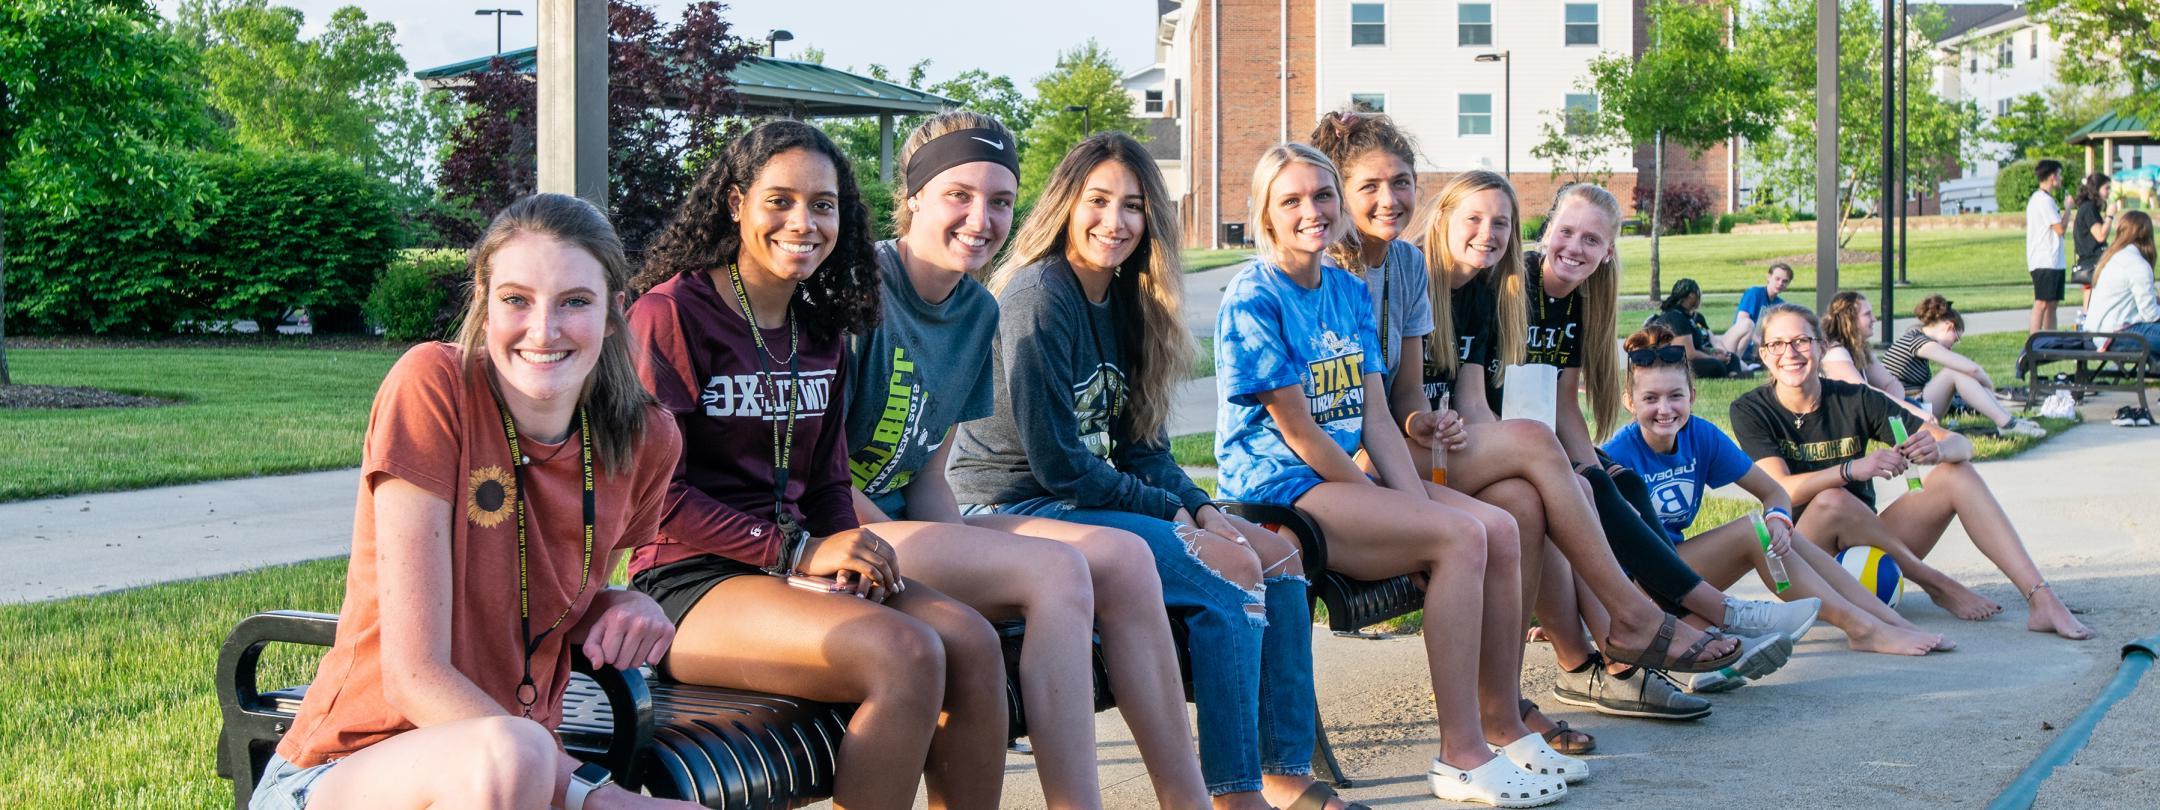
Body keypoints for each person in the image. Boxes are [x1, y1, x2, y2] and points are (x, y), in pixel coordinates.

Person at [256, 194, 699, 810]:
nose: (544, 330)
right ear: (484, 302)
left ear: (612, 313)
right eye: (517, 299)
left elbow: (534, 584)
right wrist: (595, 796)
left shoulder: (644, 439)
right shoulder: (434, 386)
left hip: (520, 778)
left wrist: (620, 604)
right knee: (513, 755)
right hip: (347, 769)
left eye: (575, 301)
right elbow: (414, 676)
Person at [949, 133, 1339, 810]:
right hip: (1012, 509)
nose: (1115, 221)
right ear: (1066, 205)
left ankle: (1286, 771)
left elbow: (1142, 450)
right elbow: (1058, 462)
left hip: (1079, 502)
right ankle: (1235, 793)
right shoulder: (1041, 297)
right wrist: (1172, 514)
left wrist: (1201, 504)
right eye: (1098, 201)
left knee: (1276, 558)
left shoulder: (1128, 301)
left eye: (1132, 206)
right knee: (1228, 572)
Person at [626, 120, 1007, 808]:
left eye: (823, 205)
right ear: (736, 202)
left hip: (790, 567)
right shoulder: (671, 315)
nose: (803, 221)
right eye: (780, 200)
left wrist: (852, 551)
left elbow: (830, 481)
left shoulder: (817, 323)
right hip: (687, 584)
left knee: (974, 645)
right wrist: (798, 549)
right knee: (906, 654)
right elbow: (652, 497)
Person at [842, 111, 1211, 805]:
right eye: (959, 194)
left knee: (1124, 561)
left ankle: (1186, 800)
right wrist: (943, 567)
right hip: (845, 525)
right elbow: (818, 473)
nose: (981, 218)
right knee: (1056, 573)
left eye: (1000, 200)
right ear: (914, 195)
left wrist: (961, 559)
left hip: (911, 524)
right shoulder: (863, 294)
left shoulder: (976, 311)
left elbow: (928, 478)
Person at [1211, 141, 1569, 807]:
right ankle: (1459, 755)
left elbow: (1377, 416)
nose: (1312, 210)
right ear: (1264, 213)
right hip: (1278, 491)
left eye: (1321, 196)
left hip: (1344, 480)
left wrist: (1413, 505)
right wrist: (1419, 520)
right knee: (1459, 536)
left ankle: (1499, 724)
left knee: (1493, 526)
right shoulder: (1252, 298)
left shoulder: (1347, 292)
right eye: (1291, 200)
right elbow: (1299, 431)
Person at [1308, 112, 1595, 766]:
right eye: (1370, 186)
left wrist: (1422, 430)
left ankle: (1502, 715)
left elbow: (1391, 404)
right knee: (1515, 478)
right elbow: (1314, 428)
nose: (1390, 199)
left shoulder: (1402, 268)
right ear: (1338, 193)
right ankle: (1619, 627)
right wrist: (1407, 500)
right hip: (1325, 482)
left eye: (1402, 181)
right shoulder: (1314, 281)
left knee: (1517, 507)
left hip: (1391, 462)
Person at [1502, 184, 1802, 716]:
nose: (1575, 247)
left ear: (1609, 250)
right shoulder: (1511, 284)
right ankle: (1705, 615)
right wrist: (1585, 483)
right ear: (1546, 230)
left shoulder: (1579, 300)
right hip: (1495, 441)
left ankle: (1643, 647)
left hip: (1535, 441)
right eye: (1566, 232)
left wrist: (1599, 480)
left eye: (1592, 239)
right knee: (1584, 489)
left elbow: (1566, 407)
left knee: (1619, 483)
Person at [1730, 303, 2093, 641]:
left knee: (1957, 474)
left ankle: (2040, 597)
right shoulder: (1751, 409)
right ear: (1763, 354)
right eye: (1776, 344)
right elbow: (1781, 489)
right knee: (1831, 499)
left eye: (1800, 341)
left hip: (1870, 542)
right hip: (1803, 555)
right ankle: (1934, 583)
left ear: (1822, 347)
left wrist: (1937, 450)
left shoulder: (1854, 398)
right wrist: (1852, 469)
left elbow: (1961, 446)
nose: (1789, 353)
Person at [1602, 325, 1950, 669]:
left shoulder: (1700, 435)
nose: (1665, 409)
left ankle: (1886, 620)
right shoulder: (1617, 454)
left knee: (1781, 533)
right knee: (1755, 531)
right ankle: (1862, 628)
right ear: (1629, 402)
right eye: (1650, 398)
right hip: (1636, 589)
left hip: (1679, 577)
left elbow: (1773, 491)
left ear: (1692, 395)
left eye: (1675, 395)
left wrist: (1780, 519)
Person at [1877, 295, 2047, 438]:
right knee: (1955, 371)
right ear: (1949, 327)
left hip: (1910, 408)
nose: (1953, 345)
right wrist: (1987, 383)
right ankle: (2008, 424)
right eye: (1956, 338)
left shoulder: (1914, 337)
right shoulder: (1919, 342)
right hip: (1902, 414)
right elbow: (1971, 368)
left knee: (1960, 372)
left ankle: (2008, 420)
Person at [1819, 291, 1934, 423]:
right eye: (1867, 314)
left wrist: (1897, 409)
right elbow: (1864, 393)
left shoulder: (1859, 348)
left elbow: (1890, 383)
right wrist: (1912, 412)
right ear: (1849, 319)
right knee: (1915, 412)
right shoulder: (1834, 353)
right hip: (1841, 422)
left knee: (1912, 406)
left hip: (1863, 414)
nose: (1874, 319)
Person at [2085, 211, 2159, 361]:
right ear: (2146, 235)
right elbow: (2151, 315)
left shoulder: (2112, 258)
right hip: (2118, 335)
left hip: (2101, 333)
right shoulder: (2137, 264)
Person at [1655, 278, 1744, 378]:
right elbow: (1689, 354)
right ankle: (1730, 376)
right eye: (1699, 294)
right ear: (1692, 296)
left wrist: (1711, 351)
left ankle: (1734, 376)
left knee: (1732, 357)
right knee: (1716, 366)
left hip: (1689, 359)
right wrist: (1714, 359)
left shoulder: (1688, 317)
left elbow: (1695, 347)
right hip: (1675, 365)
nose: (1700, 298)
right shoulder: (1676, 318)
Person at [2027, 159, 2070, 335]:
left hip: (2054, 261)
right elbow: (2060, 229)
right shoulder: (2042, 200)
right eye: (2059, 175)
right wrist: (2068, 209)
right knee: (2042, 302)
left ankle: (2051, 340)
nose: (2060, 178)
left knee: (2052, 304)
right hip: (2044, 260)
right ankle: (2034, 341)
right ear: (2052, 177)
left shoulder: (2046, 199)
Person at [1717, 262, 1793, 358]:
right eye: (1777, 279)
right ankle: (1736, 362)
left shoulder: (1780, 305)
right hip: (1737, 346)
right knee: (1748, 324)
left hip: (1758, 349)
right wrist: (1762, 343)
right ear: (1769, 277)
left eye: (1785, 281)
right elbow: (1742, 323)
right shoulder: (1754, 293)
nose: (1780, 283)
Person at [2070, 172, 2117, 289]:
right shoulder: (2088, 208)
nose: (2109, 192)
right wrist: (2110, 216)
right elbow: (2100, 235)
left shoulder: (2088, 208)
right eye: (2106, 188)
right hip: (2091, 263)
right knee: (2091, 300)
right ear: (2096, 189)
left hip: (2091, 261)